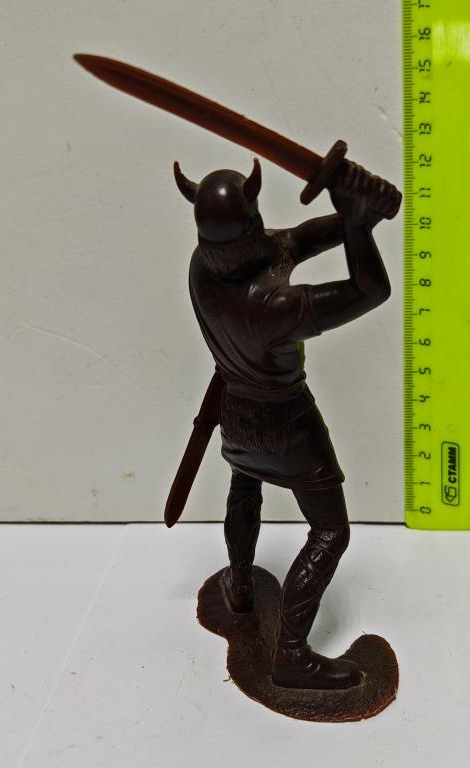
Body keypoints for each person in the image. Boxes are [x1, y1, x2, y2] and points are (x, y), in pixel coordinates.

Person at [174, 157, 399, 689]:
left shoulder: (201, 266)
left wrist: (353, 216)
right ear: (251, 223)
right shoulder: (273, 305)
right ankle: (292, 656)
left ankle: (240, 590)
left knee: (244, 484)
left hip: (236, 414)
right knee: (330, 530)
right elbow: (370, 291)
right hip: (286, 423)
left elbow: (294, 240)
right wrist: (359, 225)